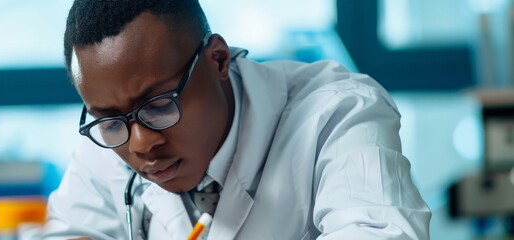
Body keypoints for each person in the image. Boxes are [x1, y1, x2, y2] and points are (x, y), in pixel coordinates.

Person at [43, 0, 431, 239]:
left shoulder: (336, 113)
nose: (141, 144)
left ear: (218, 60)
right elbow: (70, 231)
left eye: (159, 105)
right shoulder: (111, 136)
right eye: (110, 121)